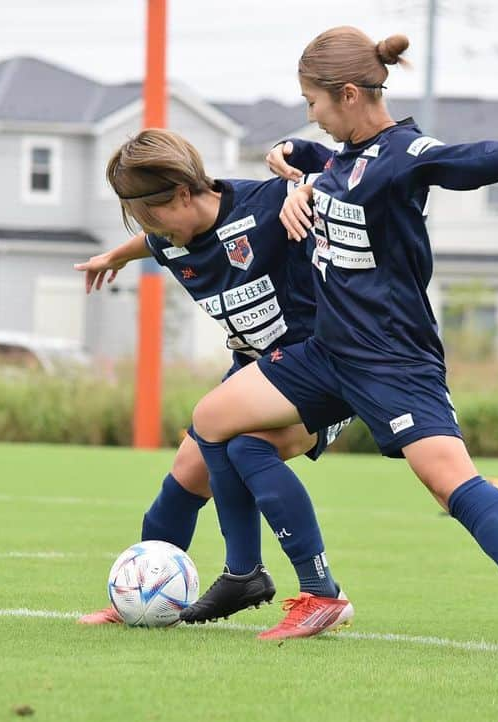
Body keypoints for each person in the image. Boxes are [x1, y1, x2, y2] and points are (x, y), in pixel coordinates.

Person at [185, 26, 498, 654]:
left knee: (449, 482)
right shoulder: (339, 160)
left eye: (313, 102)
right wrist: (293, 166)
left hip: (392, 360)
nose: (310, 114)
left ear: (349, 94)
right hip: (325, 355)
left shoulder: (403, 155)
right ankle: (257, 577)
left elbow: (475, 160)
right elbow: (310, 159)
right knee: (216, 422)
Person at [75, 128, 354, 627]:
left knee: (246, 446)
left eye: (152, 216)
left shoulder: (270, 205)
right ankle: (140, 597)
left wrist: (299, 159)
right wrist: (116, 255)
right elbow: (153, 241)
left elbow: (351, 176)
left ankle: (318, 592)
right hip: (254, 372)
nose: (152, 231)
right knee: (186, 471)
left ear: (183, 193)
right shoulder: (172, 236)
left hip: (321, 369)